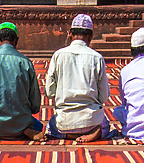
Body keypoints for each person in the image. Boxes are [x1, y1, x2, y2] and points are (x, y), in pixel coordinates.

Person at [0, 21, 45, 142]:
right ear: (17, 41)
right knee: (37, 125)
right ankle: (21, 130)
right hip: (22, 121)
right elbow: (35, 103)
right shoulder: (26, 62)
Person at [45, 13, 112, 143]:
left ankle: (69, 135)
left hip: (64, 122)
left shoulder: (58, 55)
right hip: (92, 121)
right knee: (106, 125)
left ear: (69, 33)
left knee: (51, 127)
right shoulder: (97, 57)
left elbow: (49, 92)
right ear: (91, 36)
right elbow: (104, 97)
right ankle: (95, 132)